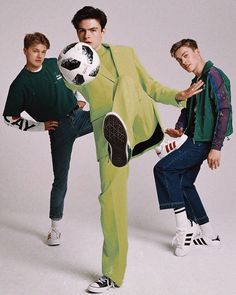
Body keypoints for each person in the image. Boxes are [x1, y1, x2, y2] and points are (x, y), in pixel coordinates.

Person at [70, 7, 204, 293]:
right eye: (81, 30)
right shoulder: (72, 65)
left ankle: (120, 125)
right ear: (76, 34)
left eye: (92, 30)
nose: (87, 35)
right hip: (110, 140)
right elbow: (69, 100)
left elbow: (151, 86)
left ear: (103, 32)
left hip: (137, 123)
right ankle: (112, 274)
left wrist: (178, 96)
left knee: (129, 84)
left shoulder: (125, 53)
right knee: (111, 201)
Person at [3, 32, 93, 246]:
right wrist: (40, 126)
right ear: (25, 50)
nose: (40, 55)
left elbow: (78, 78)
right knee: (60, 179)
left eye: (43, 51)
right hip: (60, 130)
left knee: (111, 116)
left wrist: (79, 98)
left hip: (79, 117)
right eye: (35, 51)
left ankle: (147, 143)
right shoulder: (19, 84)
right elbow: (9, 117)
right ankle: (55, 229)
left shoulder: (54, 64)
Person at [153, 38, 233, 257]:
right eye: (179, 60)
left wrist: (216, 147)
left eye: (186, 55)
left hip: (203, 142)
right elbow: (188, 111)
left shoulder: (214, 75)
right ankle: (209, 235)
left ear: (197, 51)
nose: (184, 62)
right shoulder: (196, 80)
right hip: (192, 138)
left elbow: (224, 110)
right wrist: (179, 128)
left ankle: (184, 227)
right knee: (185, 183)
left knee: (163, 169)